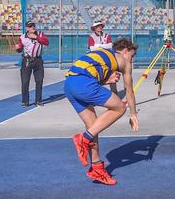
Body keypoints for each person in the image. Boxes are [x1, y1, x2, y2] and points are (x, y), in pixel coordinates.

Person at [65, 38, 139, 185]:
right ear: (125, 51)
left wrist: (106, 81)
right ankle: (83, 139)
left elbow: (93, 75)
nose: (132, 60)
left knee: (94, 126)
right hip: (83, 83)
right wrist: (133, 114)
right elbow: (129, 91)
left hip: (69, 84)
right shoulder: (124, 61)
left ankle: (97, 168)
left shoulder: (104, 55)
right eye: (132, 55)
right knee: (120, 108)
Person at [15, 21, 49, 107]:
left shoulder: (40, 34)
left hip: (38, 60)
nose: (32, 27)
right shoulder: (22, 37)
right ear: (27, 28)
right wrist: (18, 48)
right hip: (27, 60)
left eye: (33, 26)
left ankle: (38, 100)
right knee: (25, 82)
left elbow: (46, 42)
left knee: (39, 81)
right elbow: (19, 49)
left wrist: (36, 37)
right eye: (30, 26)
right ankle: (25, 102)